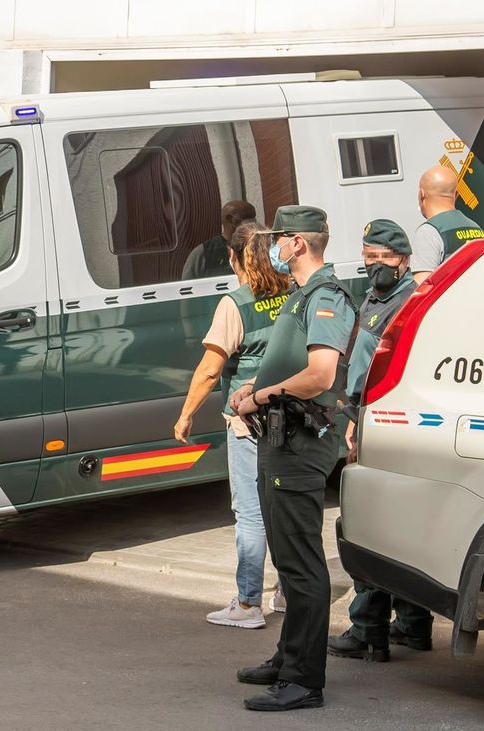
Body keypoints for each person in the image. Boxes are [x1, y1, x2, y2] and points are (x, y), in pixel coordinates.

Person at [231, 205, 354, 712]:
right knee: (287, 554)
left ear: (298, 243)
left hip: (301, 443)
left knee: (301, 565)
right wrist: (254, 390)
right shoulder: (301, 294)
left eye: (279, 239)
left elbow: (322, 374)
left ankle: (304, 681)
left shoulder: (326, 295)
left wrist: (261, 396)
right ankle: (287, 658)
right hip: (281, 439)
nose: (273, 248)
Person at [174, 222, 290, 629]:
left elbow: (210, 370)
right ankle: (287, 592)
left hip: (249, 421)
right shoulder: (291, 292)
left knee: (251, 513)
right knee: (282, 508)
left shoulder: (235, 304)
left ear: (235, 257)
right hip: (290, 417)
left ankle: (247, 604)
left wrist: (186, 413)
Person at [326, 219, 431, 662]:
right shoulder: (378, 296)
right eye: (368, 257)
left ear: (404, 261)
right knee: (399, 526)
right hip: (376, 420)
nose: (374, 265)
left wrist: (355, 420)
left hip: (378, 423)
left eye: (383, 258)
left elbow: (380, 373)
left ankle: (368, 629)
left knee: (368, 526)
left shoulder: (406, 302)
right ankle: (412, 625)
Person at [411, 165, 484, 285]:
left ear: (421, 194)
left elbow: (422, 289)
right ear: (456, 194)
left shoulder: (428, 232)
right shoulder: (477, 229)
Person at [181, 200, 257, 280]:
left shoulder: (258, 246)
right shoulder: (205, 252)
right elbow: (187, 286)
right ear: (230, 219)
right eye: (247, 217)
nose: (253, 222)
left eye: (253, 217)